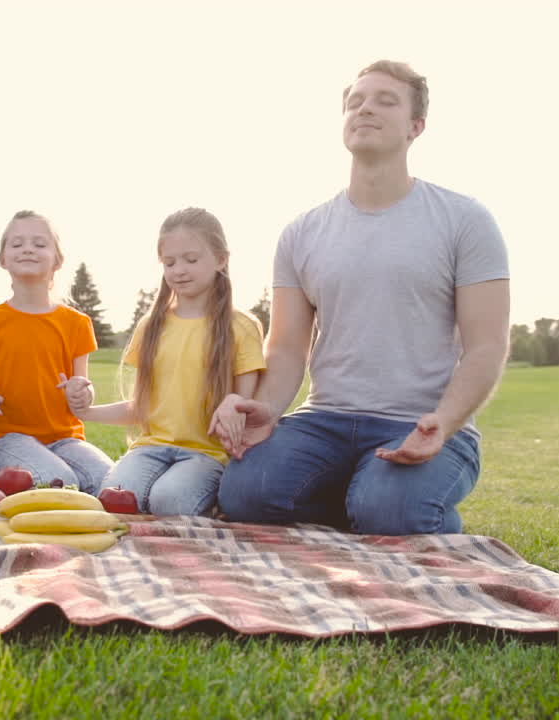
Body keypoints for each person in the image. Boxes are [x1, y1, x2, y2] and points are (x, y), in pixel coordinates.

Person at [216, 60, 510, 535]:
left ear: (417, 126)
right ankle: (364, 497)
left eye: (385, 100)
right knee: (245, 493)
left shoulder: (465, 220)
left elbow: (487, 345)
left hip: (420, 422)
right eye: (355, 101)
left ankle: (383, 502)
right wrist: (267, 408)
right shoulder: (301, 232)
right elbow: (288, 345)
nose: (365, 108)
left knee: (388, 511)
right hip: (325, 420)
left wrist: (445, 420)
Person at [64, 208, 265, 516]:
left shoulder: (242, 327)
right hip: (150, 449)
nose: (179, 270)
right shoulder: (151, 326)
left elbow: (242, 407)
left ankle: (212, 505)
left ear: (221, 260)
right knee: (115, 500)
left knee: (168, 501)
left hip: (206, 455)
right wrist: (84, 410)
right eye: (169, 262)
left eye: (191, 259)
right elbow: (141, 406)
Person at [0, 210, 113, 494]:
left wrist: (81, 393)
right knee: (60, 481)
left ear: (57, 260)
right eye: (17, 244)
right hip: (6, 437)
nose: (28, 249)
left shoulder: (77, 323)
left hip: (65, 438)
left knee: (109, 483)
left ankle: (9, 480)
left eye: (39, 244)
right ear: (2, 259)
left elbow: (81, 392)